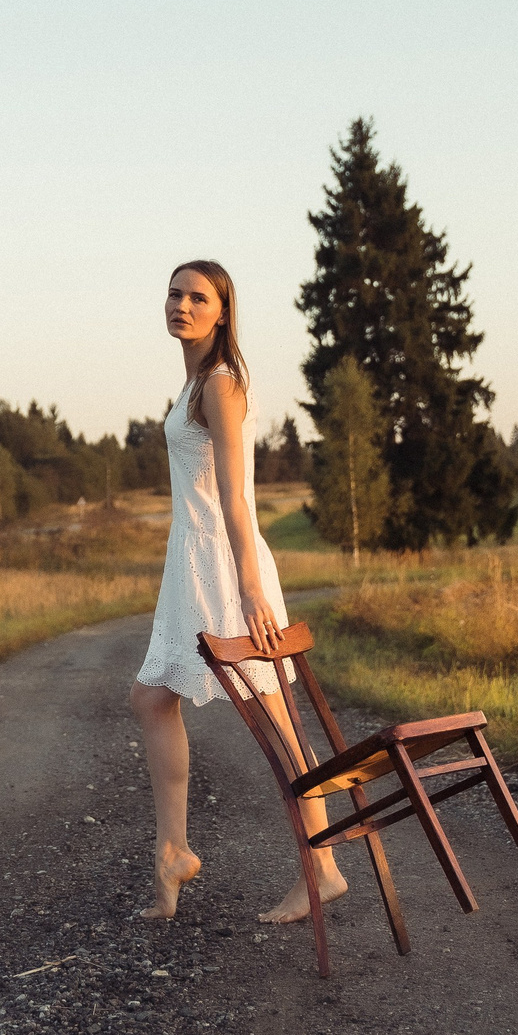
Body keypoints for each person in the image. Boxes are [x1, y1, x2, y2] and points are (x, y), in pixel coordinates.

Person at [129, 259, 346, 926]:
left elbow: (235, 495)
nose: (182, 305)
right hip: (189, 567)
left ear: (222, 312)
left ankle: (323, 867)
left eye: (199, 297)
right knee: (152, 698)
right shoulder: (194, 382)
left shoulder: (220, 384)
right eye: (175, 294)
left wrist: (251, 588)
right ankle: (173, 852)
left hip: (224, 570)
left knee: (275, 721)